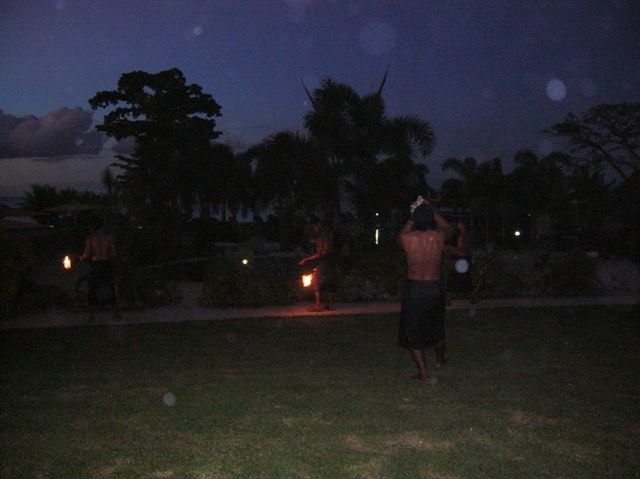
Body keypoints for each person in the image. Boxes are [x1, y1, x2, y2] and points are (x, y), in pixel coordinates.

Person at [397, 196, 452, 380]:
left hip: (414, 287)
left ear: (415, 219)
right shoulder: (439, 236)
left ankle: (423, 371)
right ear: (430, 218)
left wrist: (413, 215)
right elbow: (447, 227)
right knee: (437, 325)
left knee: (412, 329)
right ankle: (439, 360)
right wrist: (431, 209)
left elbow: (402, 232)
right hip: (434, 286)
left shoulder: (406, 238)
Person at [79, 218, 120, 322]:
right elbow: (113, 253)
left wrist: (80, 258)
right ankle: (115, 314)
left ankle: (92, 316)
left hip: (96, 264)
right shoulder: (109, 238)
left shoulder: (90, 239)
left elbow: (87, 254)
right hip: (106, 264)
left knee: (92, 288)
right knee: (110, 287)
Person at [298, 215, 338, 312]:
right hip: (331, 259)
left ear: (318, 225)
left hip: (324, 260)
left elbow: (320, 253)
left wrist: (305, 259)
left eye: (314, 227)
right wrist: (314, 242)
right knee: (329, 281)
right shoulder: (327, 233)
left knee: (316, 281)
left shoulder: (322, 235)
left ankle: (318, 305)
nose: (313, 229)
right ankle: (330, 305)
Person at [445, 221, 474, 303]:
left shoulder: (463, 236)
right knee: (463, 279)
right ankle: (472, 298)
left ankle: (449, 299)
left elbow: (462, 251)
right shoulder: (461, 236)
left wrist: (450, 249)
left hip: (461, 260)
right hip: (461, 260)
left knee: (454, 279)